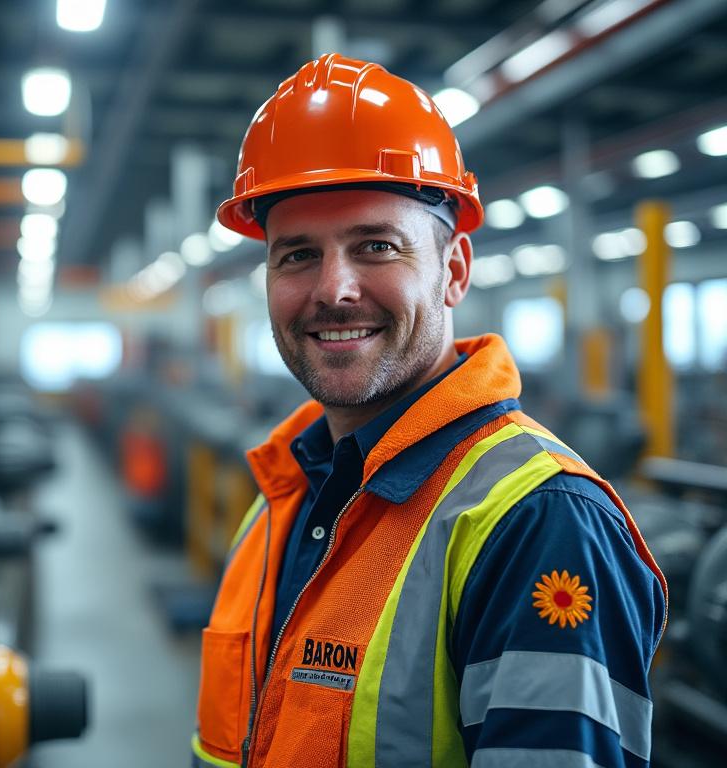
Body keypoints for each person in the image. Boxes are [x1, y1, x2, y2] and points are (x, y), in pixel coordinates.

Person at [191, 53, 667, 768]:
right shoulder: (283, 497)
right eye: (297, 256)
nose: (335, 289)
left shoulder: (537, 522)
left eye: (375, 246)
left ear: (453, 272)